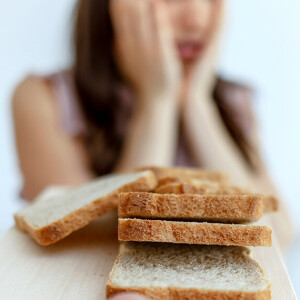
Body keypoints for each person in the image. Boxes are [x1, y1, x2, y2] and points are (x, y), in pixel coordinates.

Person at [12, 0, 293, 252]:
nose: (196, 19)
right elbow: (93, 255)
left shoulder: (233, 102)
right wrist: (156, 101)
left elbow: (277, 238)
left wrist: (198, 104)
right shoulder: (42, 99)